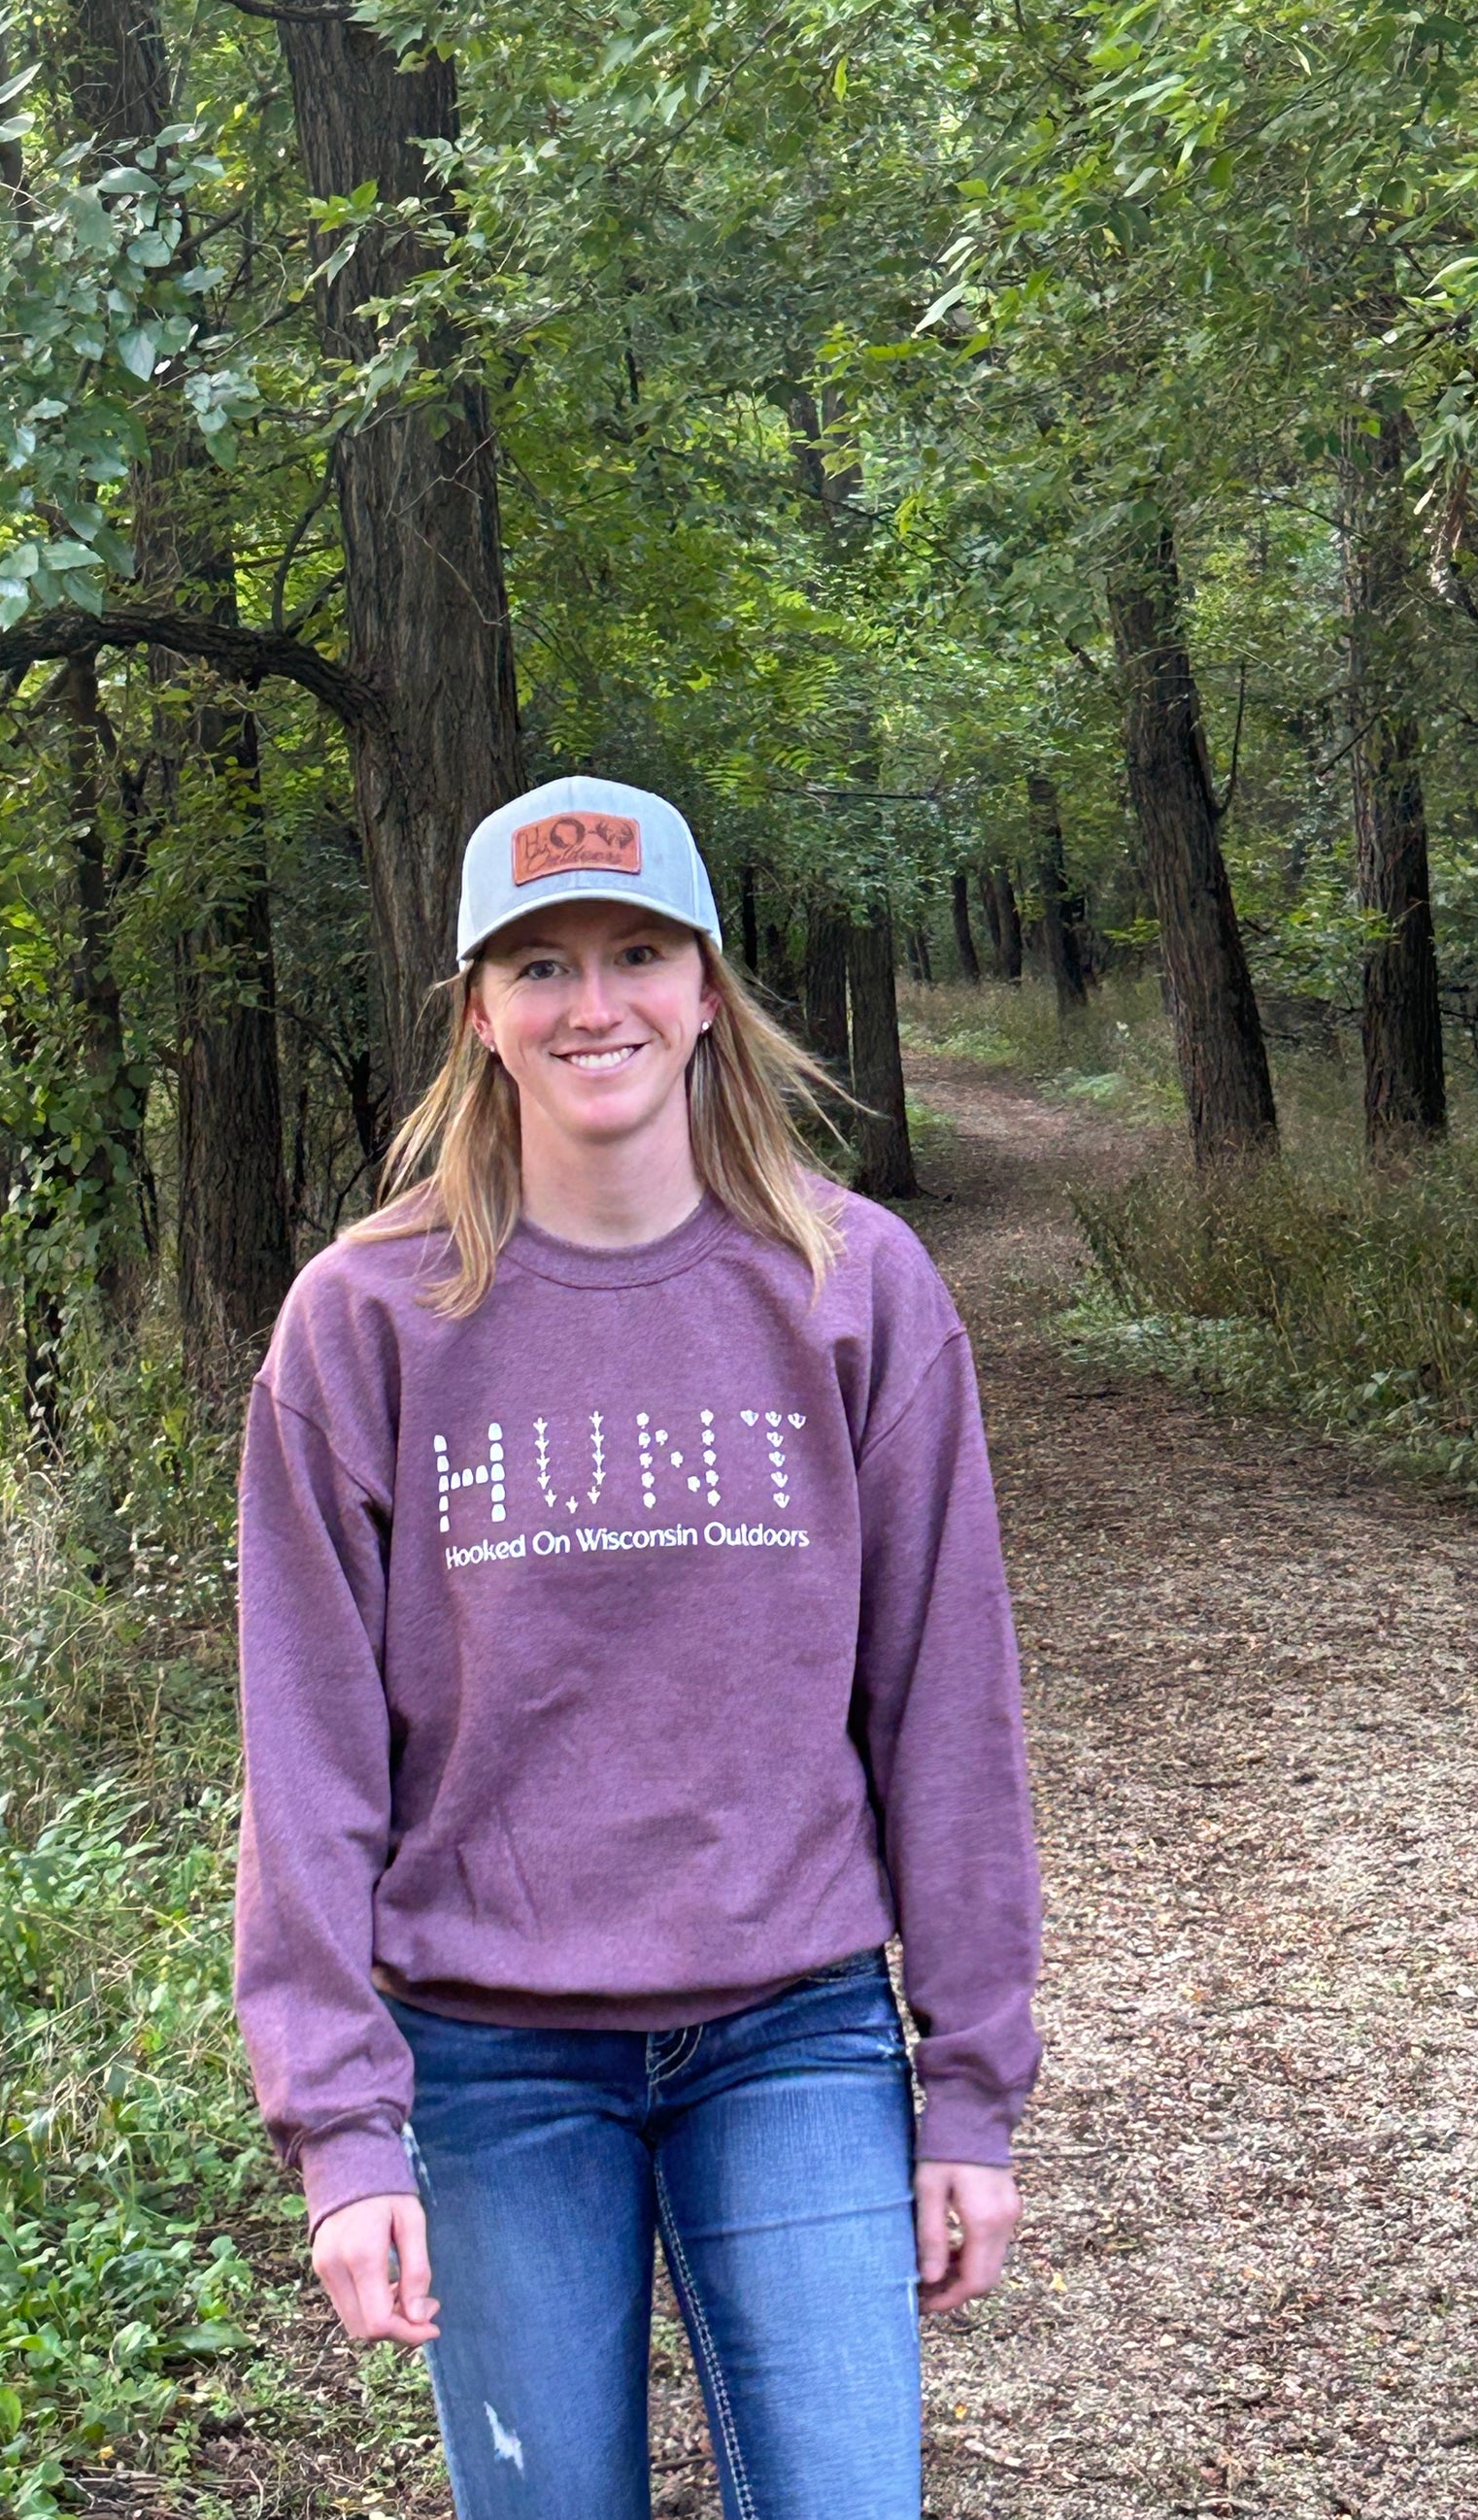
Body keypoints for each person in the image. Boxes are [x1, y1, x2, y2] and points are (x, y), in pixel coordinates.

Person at [233, 775, 1042, 2519]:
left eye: (634, 954)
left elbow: (946, 1704)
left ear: (705, 987)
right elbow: (304, 1758)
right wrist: (342, 2127)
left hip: (795, 2030)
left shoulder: (853, 1286)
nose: (590, 1004)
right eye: (539, 965)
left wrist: (970, 2087)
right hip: (486, 2050)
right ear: (479, 1013)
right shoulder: (363, 1321)